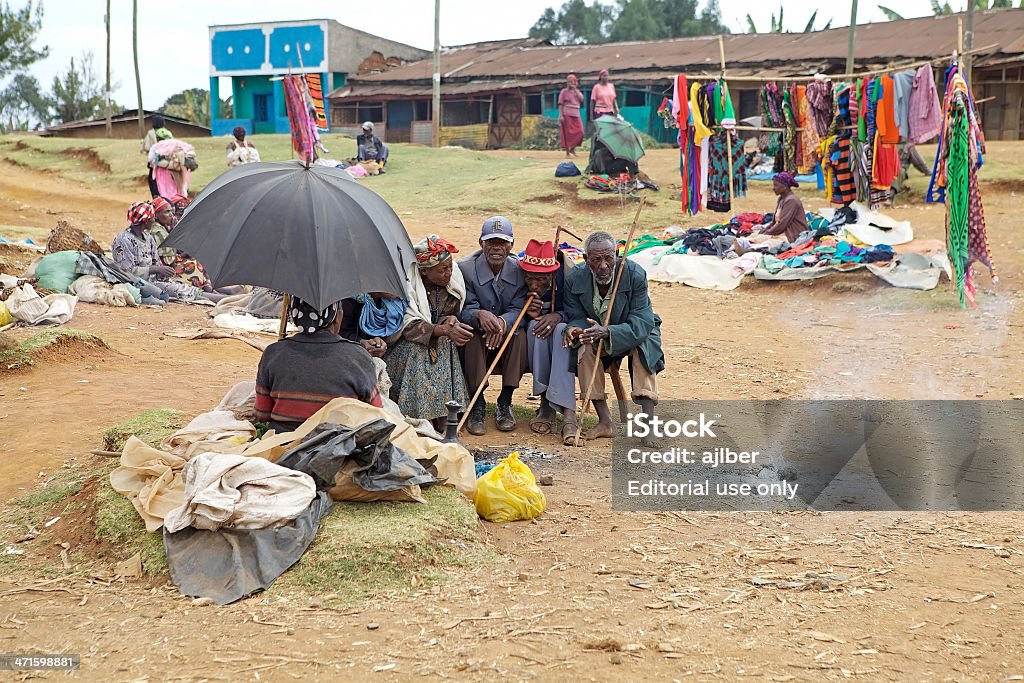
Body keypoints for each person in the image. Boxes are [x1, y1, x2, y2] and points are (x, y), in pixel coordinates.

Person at [564, 231, 664, 443]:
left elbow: (642, 320)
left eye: (608, 258)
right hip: (597, 333)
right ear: (586, 258)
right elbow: (575, 316)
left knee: (644, 347)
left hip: (634, 330)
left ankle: (648, 425)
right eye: (596, 259)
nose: (603, 265)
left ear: (617, 254)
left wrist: (609, 331)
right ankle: (605, 421)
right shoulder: (575, 278)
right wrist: (577, 328)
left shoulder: (634, 274)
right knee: (584, 347)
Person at [383, 235, 474, 432]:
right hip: (401, 347)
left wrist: (449, 322)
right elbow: (405, 326)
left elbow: (448, 315)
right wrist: (439, 329)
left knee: (444, 343)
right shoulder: (407, 286)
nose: (449, 272)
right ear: (424, 272)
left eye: (450, 267)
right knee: (419, 350)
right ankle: (419, 414)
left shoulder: (451, 285)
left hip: (434, 341)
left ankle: (445, 415)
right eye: (443, 269)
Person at [255, 298, 383, 434]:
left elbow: (262, 414)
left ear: (295, 315)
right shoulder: (359, 355)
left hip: (283, 445)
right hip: (341, 446)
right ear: (336, 317)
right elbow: (376, 414)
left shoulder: (272, 352)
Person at [458, 216, 529, 435]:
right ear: (481, 243)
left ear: (511, 245)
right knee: (469, 336)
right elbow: (462, 308)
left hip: (505, 334)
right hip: (480, 334)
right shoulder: (465, 268)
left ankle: (505, 401)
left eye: (502, 242)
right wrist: (480, 315)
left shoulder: (519, 269)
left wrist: (502, 323)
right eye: (491, 242)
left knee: (519, 335)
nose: (496, 248)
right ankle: (477, 402)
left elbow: (521, 309)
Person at [519, 239, 579, 445]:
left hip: (569, 329)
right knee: (535, 329)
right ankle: (546, 403)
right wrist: (532, 314)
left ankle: (569, 413)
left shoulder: (570, 276)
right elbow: (514, 308)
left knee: (561, 332)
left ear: (552, 274)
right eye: (529, 278)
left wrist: (559, 316)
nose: (534, 285)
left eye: (540, 279)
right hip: (540, 332)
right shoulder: (520, 277)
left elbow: (580, 311)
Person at [111, 201, 210, 304]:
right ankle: (222, 298)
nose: (154, 220)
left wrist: (162, 272)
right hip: (138, 283)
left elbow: (156, 261)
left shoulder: (148, 238)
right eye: (153, 217)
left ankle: (223, 297)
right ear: (146, 220)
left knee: (184, 287)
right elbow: (126, 272)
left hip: (155, 281)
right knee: (184, 291)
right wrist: (156, 269)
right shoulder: (123, 240)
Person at [148, 196, 237, 299]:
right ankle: (212, 292)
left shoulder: (161, 228)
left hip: (163, 269)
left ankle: (213, 290)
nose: (172, 215)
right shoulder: (159, 232)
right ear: (157, 215)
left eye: (172, 212)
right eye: (167, 212)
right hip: (163, 273)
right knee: (192, 266)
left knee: (195, 262)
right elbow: (169, 261)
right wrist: (174, 234)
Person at [141, 115, 173, 198]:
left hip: (155, 164)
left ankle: (157, 202)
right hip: (168, 164)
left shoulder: (151, 133)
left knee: (153, 183)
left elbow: (146, 147)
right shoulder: (168, 132)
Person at [558, 74, 585, 158]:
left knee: (580, 132)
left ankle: (572, 148)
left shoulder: (577, 92)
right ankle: (567, 153)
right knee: (567, 133)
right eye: (568, 82)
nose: (570, 83)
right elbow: (560, 104)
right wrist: (561, 115)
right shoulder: (563, 92)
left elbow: (582, 99)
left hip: (576, 114)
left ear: (575, 82)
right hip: (566, 114)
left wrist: (575, 89)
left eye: (572, 81)